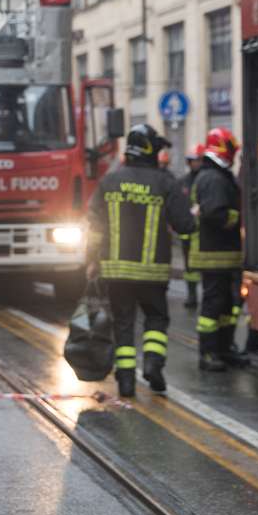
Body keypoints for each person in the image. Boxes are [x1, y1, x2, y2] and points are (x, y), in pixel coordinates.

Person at [85, 125, 195, 397]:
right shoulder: (165, 182)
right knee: (156, 319)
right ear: (150, 150)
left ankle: (125, 382)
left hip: (116, 272)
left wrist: (92, 260)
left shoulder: (109, 182)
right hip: (153, 273)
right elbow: (185, 226)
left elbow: (95, 226)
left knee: (123, 323)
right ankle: (153, 365)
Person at [190, 128, 248, 371]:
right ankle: (209, 353)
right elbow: (215, 214)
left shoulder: (215, 175)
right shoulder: (214, 178)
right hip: (214, 254)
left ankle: (224, 348)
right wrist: (239, 218)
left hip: (222, 255)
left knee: (226, 304)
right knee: (214, 305)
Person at [177, 145, 203, 310]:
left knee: (205, 265)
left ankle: (206, 294)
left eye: (197, 160)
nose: (195, 164)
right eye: (192, 161)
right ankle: (191, 295)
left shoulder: (206, 178)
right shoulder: (183, 181)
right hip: (187, 231)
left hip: (203, 232)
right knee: (189, 266)